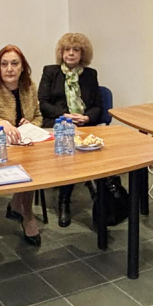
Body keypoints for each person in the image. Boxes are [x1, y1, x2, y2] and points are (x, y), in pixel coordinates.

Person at [0, 44, 44, 245]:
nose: (9, 69)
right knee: (28, 166)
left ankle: (21, 209)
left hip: (22, 144)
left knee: (32, 164)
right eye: (4, 64)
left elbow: (39, 117)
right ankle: (26, 214)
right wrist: (0, 123)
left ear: (22, 67)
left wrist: (31, 124)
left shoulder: (29, 86)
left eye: (14, 63)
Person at [38, 33, 103, 227]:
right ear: (61, 52)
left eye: (76, 50)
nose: (71, 53)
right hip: (57, 122)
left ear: (83, 54)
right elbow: (43, 103)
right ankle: (65, 200)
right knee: (70, 147)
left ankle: (92, 188)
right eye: (67, 49)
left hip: (84, 124)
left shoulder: (90, 75)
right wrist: (65, 115)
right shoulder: (50, 72)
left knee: (87, 145)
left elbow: (98, 106)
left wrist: (87, 117)